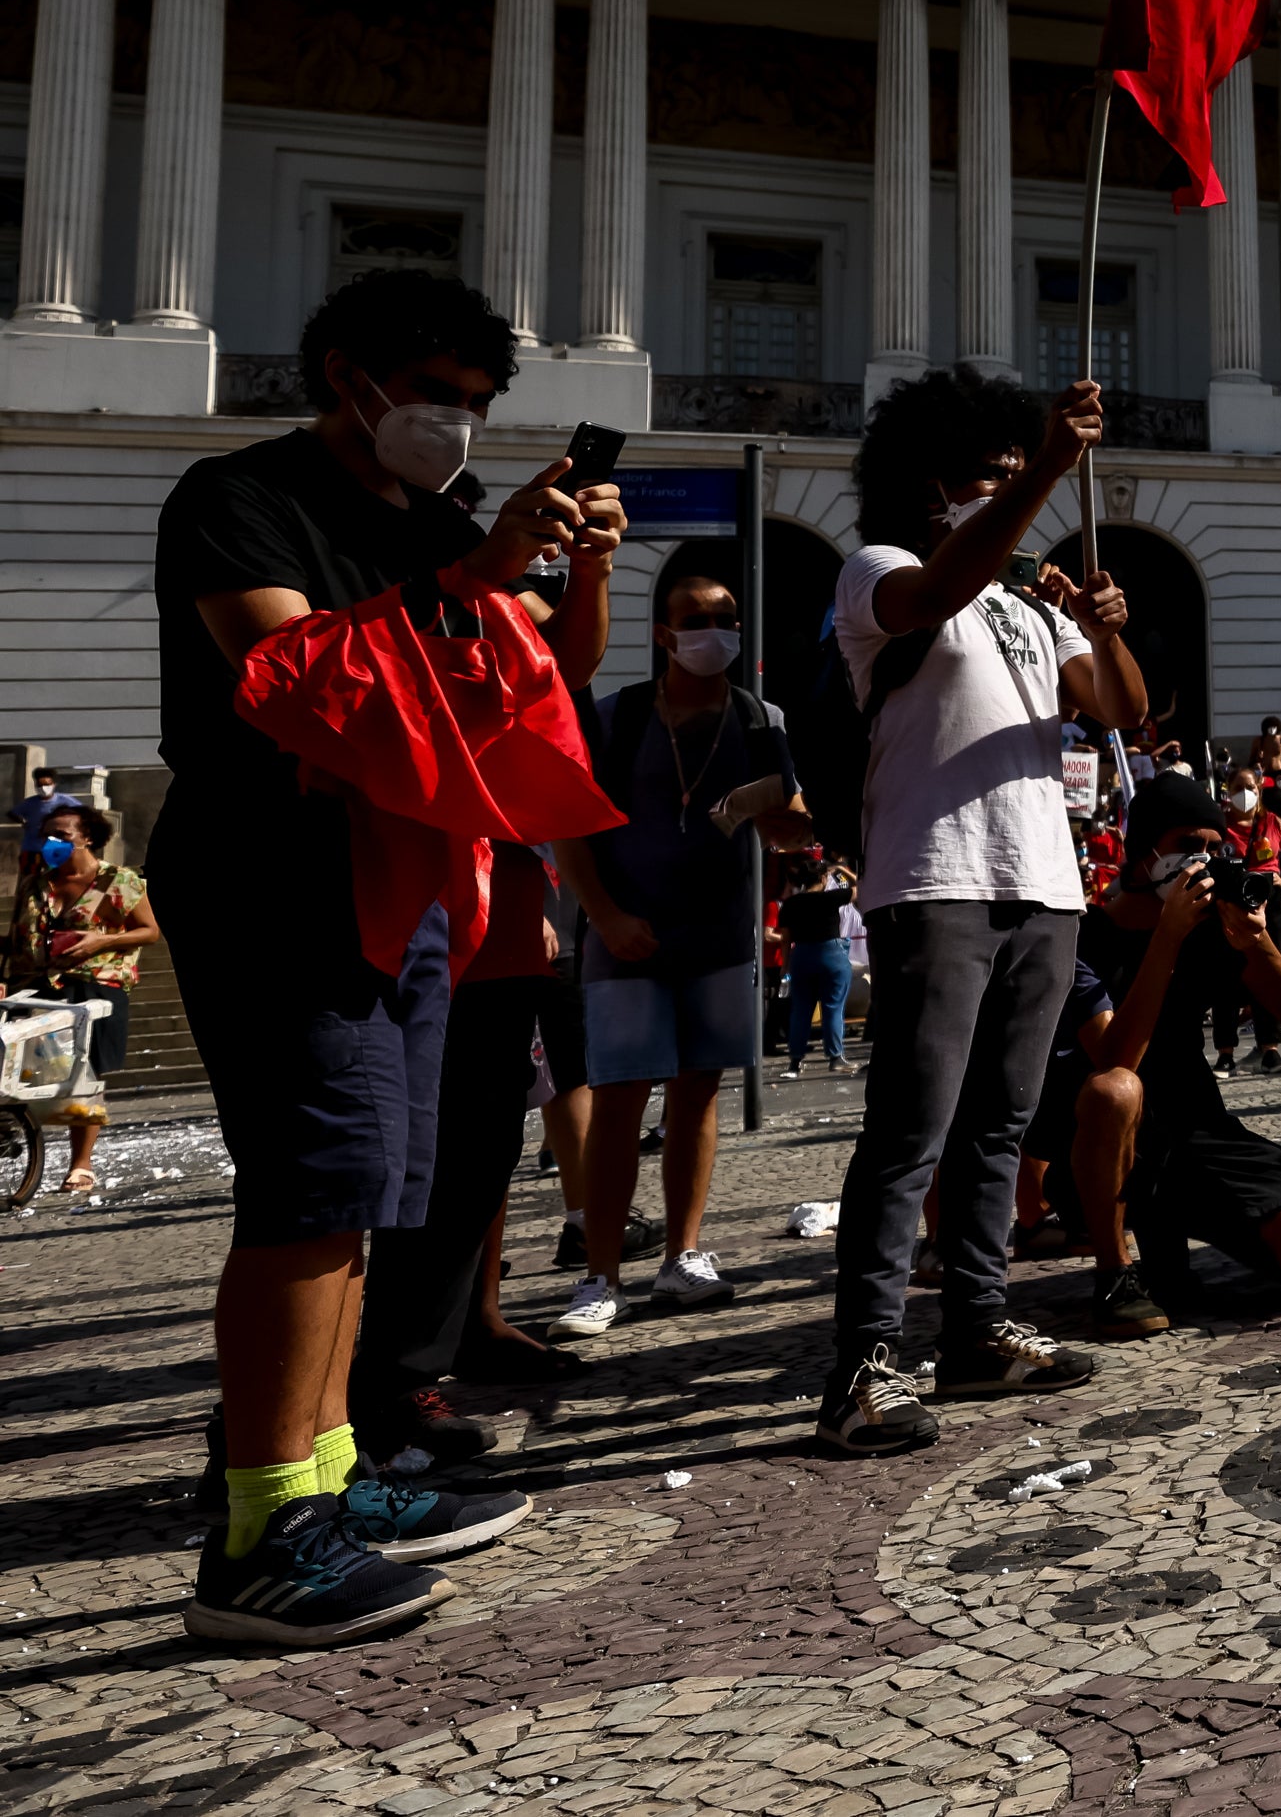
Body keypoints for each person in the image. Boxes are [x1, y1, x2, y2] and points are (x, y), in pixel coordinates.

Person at [150, 271, 600, 1642]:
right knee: (305, 1192)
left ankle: (337, 1480)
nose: (454, 426)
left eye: (473, 406)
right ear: (347, 375)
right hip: (275, 880)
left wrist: (555, 569)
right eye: (433, 398)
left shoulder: (447, 523)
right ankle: (261, 1537)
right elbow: (297, 685)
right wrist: (468, 574)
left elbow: (537, 681)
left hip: (407, 889)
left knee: (358, 1197)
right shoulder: (240, 500)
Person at [815, 367, 1146, 1455]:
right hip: (936, 877)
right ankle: (863, 1361)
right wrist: (1047, 468)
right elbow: (935, 597)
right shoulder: (883, 571)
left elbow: (1119, 711)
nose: (1006, 487)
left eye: (1015, 469)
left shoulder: (1024, 605)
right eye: (986, 474)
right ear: (925, 483)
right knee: (910, 1132)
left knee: (999, 1127)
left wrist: (1105, 625)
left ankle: (976, 1326)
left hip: (1044, 882)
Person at [545, 548, 811, 1331]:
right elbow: (572, 830)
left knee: (697, 1093)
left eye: (727, 620)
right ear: (664, 633)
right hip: (624, 936)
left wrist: (787, 813)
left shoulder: (763, 719)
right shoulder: (616, 717)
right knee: (621, 1099)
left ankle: (682, 1258)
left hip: (720, 939)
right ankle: (599, 1275)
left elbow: (793, 833)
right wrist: (605, 914)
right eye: (698, 622)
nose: (715, 634)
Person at [1033, 772, 1281, 1332]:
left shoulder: (1211, 923)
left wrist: (1254, 940)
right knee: (1116, 1090)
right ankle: (1115, 1274)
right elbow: (1117, 1058)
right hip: (1110, 1136)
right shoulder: (1084, 937)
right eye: (1187, 845)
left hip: (1195, 1126)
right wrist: (1166, 938)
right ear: (1144, 856)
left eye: (1215, 847)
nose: (1202, 859)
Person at [8, 798, 157, 1196]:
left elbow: (149, 932)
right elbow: (17, 937)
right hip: (35, 982)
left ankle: (81, 1165)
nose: (51, 841)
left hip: (95, 983)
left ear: (86, 837)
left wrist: (99, 942)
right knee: (21, 1072)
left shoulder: (119, 880)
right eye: (45, 835)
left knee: (84, 1074)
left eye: (61, 834)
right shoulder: (37, 881)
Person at [1209, 770, 1281, 1076]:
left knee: (1267, 977)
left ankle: (1270, 1051)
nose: (1245, 792)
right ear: (1229, 791)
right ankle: (1225, 1054)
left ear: (1259, 789)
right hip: (1229, 905)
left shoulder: (1273, 822)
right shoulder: (1220, 824)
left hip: (1270, 906)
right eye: (1239, 787)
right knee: (1226, 982)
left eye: (1250, 787)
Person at [777, 855, 859, 1076]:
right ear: (824, 878)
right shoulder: (832, 897)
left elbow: (785, 939)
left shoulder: (790, 904)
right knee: (833, 1008)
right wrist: (844, 870)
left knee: (801, 1010)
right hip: (831, 954)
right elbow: (858, 889)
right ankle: (835, 1057)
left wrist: (785, 967)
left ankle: (795, 1061)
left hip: (802, 955)